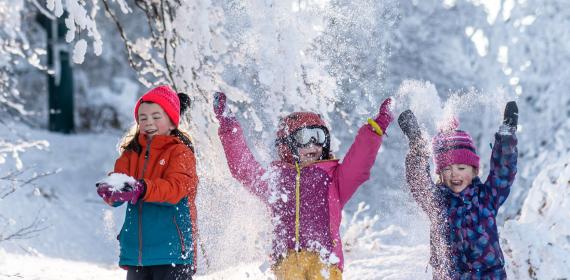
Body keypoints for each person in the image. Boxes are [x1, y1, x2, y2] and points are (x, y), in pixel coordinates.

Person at [212, 91, 394, 280]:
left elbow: (359, 163)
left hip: (324, 261)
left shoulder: (333, 178)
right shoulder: (277, 179)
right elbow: (244, 168)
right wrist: (228, 125)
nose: (314, 145)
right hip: (288, 264)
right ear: (287, 143)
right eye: (305, 137)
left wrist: (374, 129)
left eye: (319, 136)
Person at [398, 101, 519, 279]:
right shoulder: (438, 204)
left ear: (474, 170)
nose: (455, 174)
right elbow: (420, 183)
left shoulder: (486, 198)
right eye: (447, 169)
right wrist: (417, 144)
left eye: (461, 168)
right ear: (439, 173)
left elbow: (503, 172)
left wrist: (507, 134)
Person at [96, 85, 198, 280]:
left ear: (171, 122)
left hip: (172, 252)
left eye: (156, 117)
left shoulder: (180, 153)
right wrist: (111, 190)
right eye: (143, 118)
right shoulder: (131, 153)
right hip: (137, 254)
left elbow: (176, 189)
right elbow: (119, 180)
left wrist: (142, 189)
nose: (148, 122)